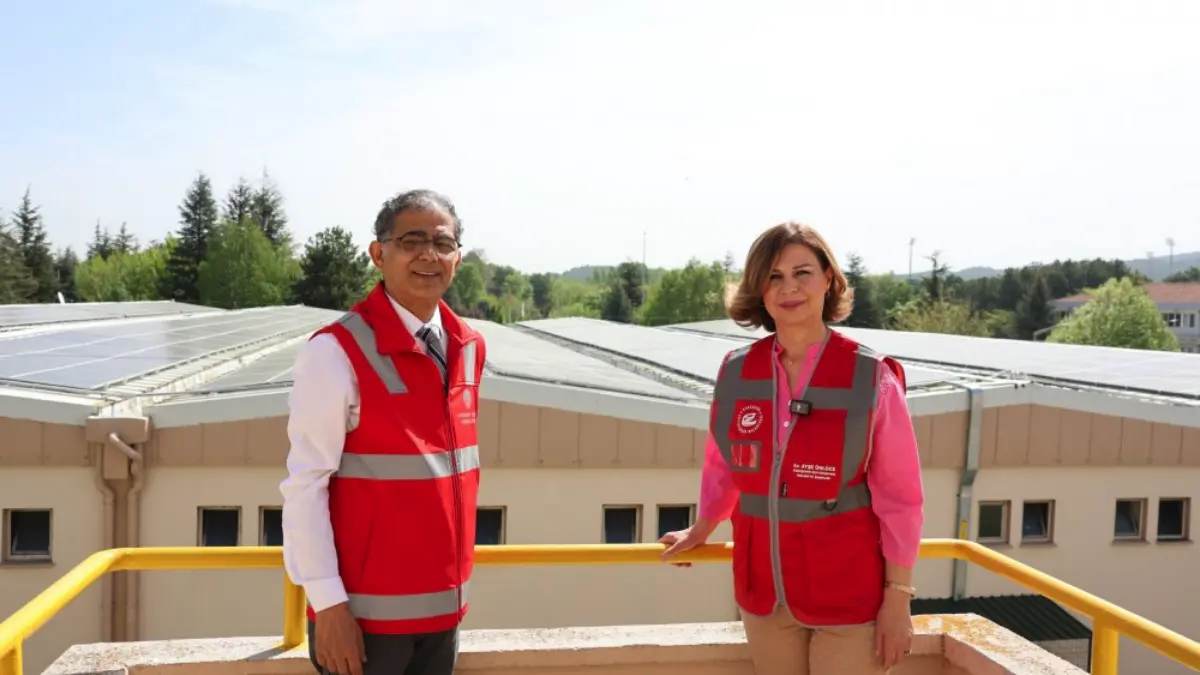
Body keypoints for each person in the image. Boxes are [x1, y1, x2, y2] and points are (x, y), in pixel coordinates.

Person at [660, 221, 925, 675]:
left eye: (802, 273)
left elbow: (900, 497)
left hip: (848, 595)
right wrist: (701, 528)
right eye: (774, 276)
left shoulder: (872, 376)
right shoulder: (736, 371)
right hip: (764, 595)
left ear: (828, 279)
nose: (789, 288)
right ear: (759, 290)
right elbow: (724, 464)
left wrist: (898, 599)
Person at [280, 189, 487, 675]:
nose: (429, 255)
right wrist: (328, 605)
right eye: (411, 241)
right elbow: (306, 486)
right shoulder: (334, 352)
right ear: (378, 254)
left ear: (457, 258)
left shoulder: (469, 347)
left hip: (443, 616)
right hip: (364, 623)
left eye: (443, 243)